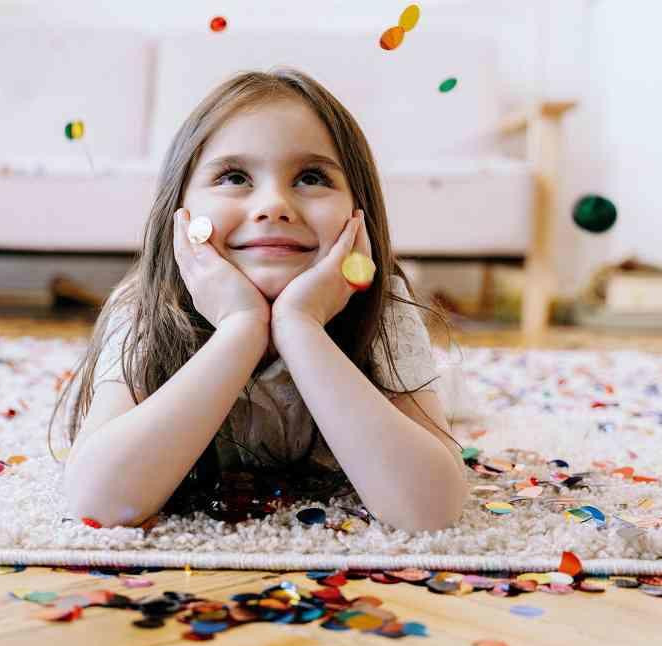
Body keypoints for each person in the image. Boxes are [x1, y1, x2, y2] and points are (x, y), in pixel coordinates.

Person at [50, 67, 469, 533]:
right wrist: (241, 328)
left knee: (457, 397)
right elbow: (98, 503)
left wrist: (300, 326)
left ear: (359, 209)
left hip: (388, 345)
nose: (274, 205)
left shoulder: (384, 310)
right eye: (233, 177)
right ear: (179, 208)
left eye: (311, 176)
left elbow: (430, 512)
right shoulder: (145, 306)